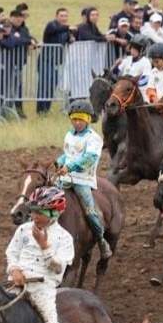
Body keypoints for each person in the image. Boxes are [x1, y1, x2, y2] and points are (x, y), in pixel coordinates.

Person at [4, 186, 75, 323]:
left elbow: (57, 268)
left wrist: (44, 246)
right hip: (18, 283)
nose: (34, 216)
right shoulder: (24, 230)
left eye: (39, 213)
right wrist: (14, 269)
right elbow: (12, 252)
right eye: (33, 211)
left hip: (43, 288)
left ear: (54, 213)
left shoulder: (64, 238)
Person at [55, 100, 112, 260]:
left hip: (83, 180)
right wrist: (58, 162)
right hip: (65, 177)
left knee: (90, 210)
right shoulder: (69, 135)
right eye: (74, 119)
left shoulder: (94, 138)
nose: (77, 122)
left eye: (81, 119)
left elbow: (89, 159)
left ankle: (101, 240)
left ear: (88, 119)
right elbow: (67, 154)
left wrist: (69, 167)